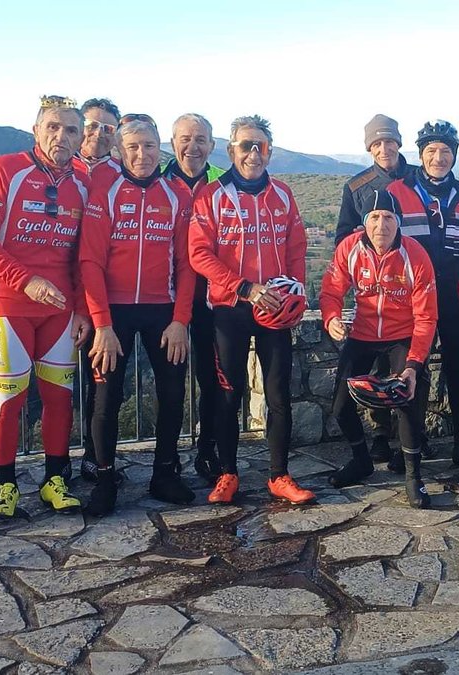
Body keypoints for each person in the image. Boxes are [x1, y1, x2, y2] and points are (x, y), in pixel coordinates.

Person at [0, 95, 91, 519]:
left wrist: (82, 308)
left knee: (59, 396)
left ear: (81, 138)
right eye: (52, 126)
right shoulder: (5, 170)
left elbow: (84, 255)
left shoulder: (83, 182)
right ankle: (5, 487)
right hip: (7, 302)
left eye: (70, 129)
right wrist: (26, 280)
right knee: (9, 395)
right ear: (36, 130)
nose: (61, 136)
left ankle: (55, 480)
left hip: (60, 308)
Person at [188, 114, 315, 506]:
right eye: (246, 146)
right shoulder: (211, 195)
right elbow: (199, 254)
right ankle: (227, 473)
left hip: (274, 309)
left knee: (278, 394)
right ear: (231, 151)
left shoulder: (283, 194)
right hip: (230, 309)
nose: (253, 154)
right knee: (229, 394)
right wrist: (245, 287)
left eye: (261, 146)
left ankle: (279, 475)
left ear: (270, 152)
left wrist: (294, 291)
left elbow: (296, 247)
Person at [78, 117, 196, 515]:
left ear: (159, 147)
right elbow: (90, 262)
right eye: (133, 147)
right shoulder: (105, 192)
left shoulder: (177, 195)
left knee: (172, 393)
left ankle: (164, 473)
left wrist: (180, 321)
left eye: (148, 146)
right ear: (119, 151)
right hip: (113, 312)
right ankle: (104, 478)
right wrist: (102, 324)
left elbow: (187, 264)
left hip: (163, 309)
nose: (142, 154)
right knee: (106, 396)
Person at [321, 189, 437, 507]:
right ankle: (361, 460)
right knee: (341, 406)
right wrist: (331, 318)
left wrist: (413, 364)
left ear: (398, 222)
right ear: (364, 222)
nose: (381, 225)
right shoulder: (349, 248)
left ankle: (413, 474)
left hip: (403, 335)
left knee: (407, 399)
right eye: (374, 217)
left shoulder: (416, 255)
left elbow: (427, 317)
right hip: (363, 334)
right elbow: (331, 292)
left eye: (388, 217)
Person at [387, 120, 459, 469]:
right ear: (421, 155)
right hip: (413, 297)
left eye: (445, 151)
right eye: (431, 151)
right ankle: (411, 445)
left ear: (454, 155)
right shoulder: (398, 191)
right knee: (412, 370)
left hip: (456, 297)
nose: (438, 158)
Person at [334, 114, 414, 466]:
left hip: (412, 287)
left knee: (408, 376)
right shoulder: (357, 186)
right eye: (377, 143)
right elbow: (343, 237)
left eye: (390, 141)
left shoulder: (418, 179)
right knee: (375, 374)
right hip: (372, 294)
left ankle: (412, 443)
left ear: (399, 143)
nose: (384, 149)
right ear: (369, 147)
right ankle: (380, 436)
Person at [161, 113, 227, 482]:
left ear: (212, 146)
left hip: (211, 296)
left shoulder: (222, 183)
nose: (193, 147)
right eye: (185, 139)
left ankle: (207, 450)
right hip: (163, 296)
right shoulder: (157, 180)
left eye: (201, 139)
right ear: (173, 144)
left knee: (212, 378)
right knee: (170, 383)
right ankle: (167, 459)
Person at [72, 97, 121, 484]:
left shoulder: (120, 175)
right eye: (91, 125)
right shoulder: (59, 168)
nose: (99, 133)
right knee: (53, 389)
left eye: (108, 128)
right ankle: (55, 468)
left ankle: (94, 458)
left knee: (100, 387)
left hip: (102, 299)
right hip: (53, 295)